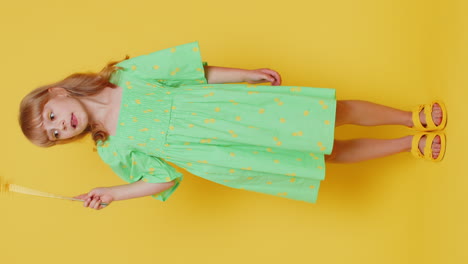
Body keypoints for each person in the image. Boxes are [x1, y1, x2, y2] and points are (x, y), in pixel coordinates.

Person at [18, 41, 447, 210]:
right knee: (324, 154)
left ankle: (410, 118)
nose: (62, 127)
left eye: (52, 118)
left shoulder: (126, 76)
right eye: (55, 134)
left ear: (58, 93)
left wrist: (243, 73)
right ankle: (406, 145)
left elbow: (191, 71)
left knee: (331, 114)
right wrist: (114, 192)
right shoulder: (113, 147)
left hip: (235, 112)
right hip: (226, 154)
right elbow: (161, 180)